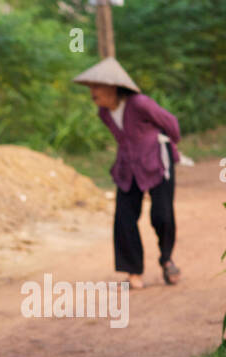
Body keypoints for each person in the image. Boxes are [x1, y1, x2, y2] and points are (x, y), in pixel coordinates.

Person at [74, 57, 182, 288]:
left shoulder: (140, 103)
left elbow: (171, 123)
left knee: (162, 215)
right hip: (127, 167)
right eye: (90, 87)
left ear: (113, 87)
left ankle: (167, 259)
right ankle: (133, 271)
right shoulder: (103, 113)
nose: (92, 92)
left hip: (157, 161)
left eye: (97, 86)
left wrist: (167, 146)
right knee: (124, 217)